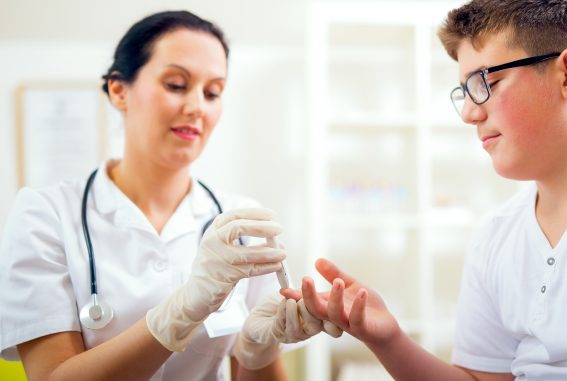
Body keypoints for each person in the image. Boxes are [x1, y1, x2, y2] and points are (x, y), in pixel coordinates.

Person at [283, 0, 567, 379]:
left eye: (486, 83)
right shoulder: (497, 233)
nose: (471, 113)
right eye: (465, 92)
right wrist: (387, 339)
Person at [0, 10, 330, 381]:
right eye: (176, 84)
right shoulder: (46, 214)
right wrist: (179, 312)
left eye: (213, 92)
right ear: (119, 90)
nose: (196, 107)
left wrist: (257, 351)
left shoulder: (241, 218)